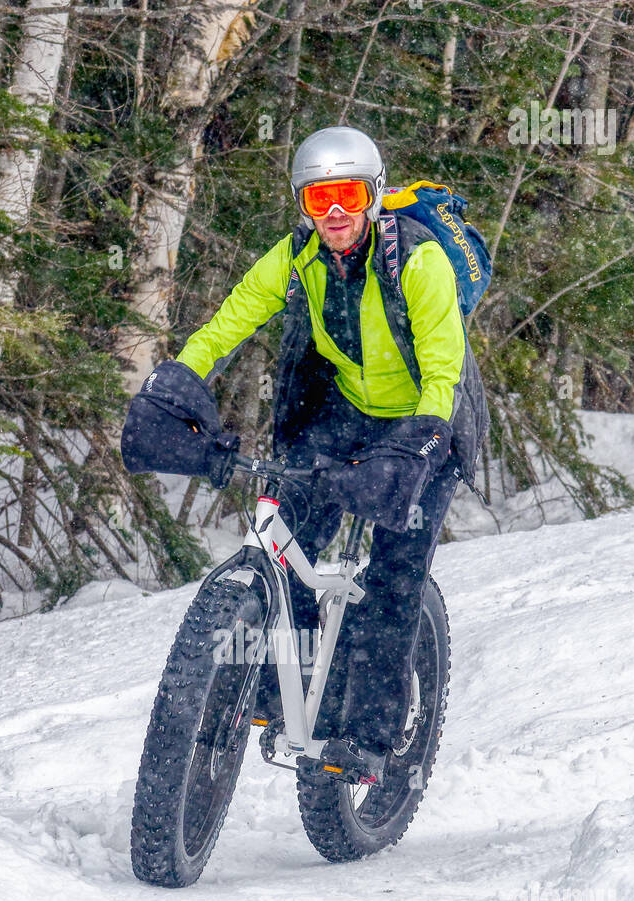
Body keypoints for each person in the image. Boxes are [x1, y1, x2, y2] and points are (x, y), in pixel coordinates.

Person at [124, 125, 488, 787]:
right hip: (346, 411)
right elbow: (229, 323)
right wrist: (176, 381)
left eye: (348, 194)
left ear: (374, 195)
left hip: (427, 423)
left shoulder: (418, 260)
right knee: (287, 544)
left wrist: (415, 449)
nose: (336, 213)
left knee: (392, 581)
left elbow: (443, 373)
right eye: (320, 200)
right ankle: (274, 687)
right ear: (303, 205)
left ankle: (373, 740)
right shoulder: (296, 257)